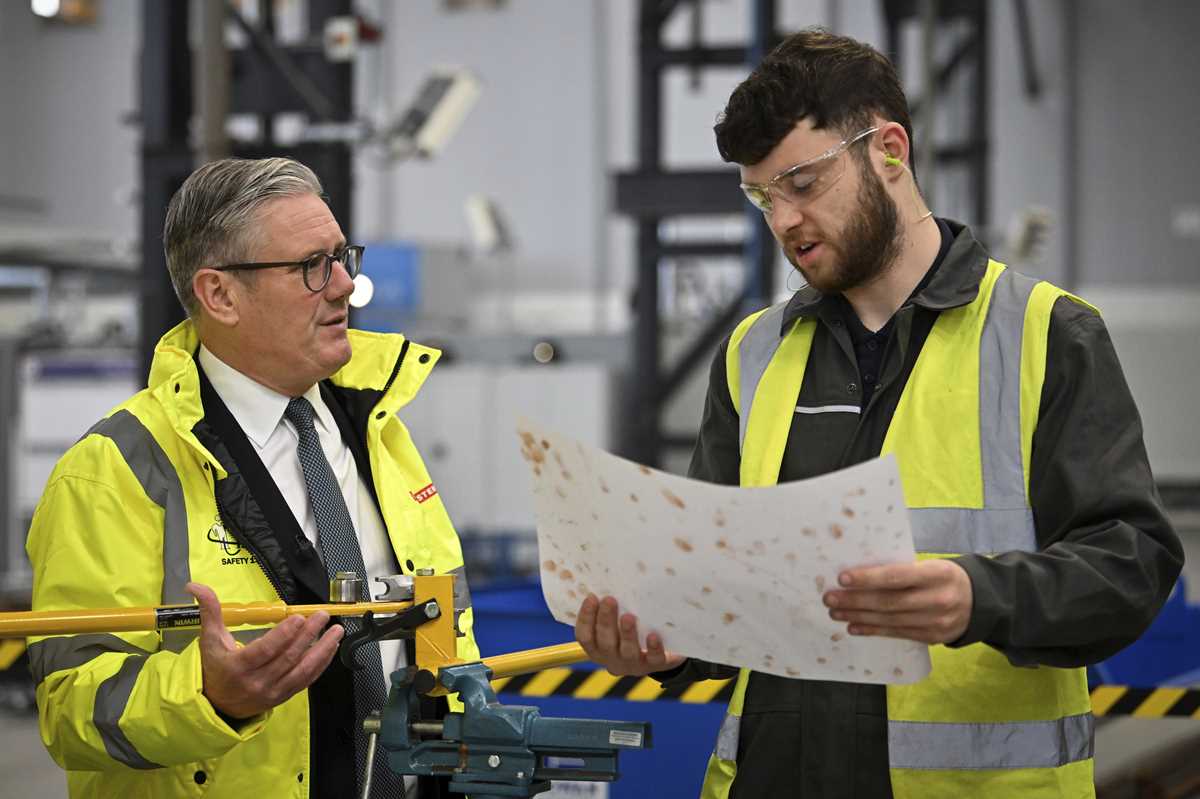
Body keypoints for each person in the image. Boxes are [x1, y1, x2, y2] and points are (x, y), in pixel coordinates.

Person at [575, 28, 1183, 799]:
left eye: (802, 182)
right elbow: (727, 601)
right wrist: (668, 644)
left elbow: (1132, 564)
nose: (783, 220)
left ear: (890, 150)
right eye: (762, 197)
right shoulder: (752, 355)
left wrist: (979, 596)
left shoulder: (1044, 335)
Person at [26, 157, 480, 798]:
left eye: (342, 256)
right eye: (312, 266)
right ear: (220, 295)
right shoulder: (114, 470)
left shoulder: (379, 431)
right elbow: (72, 709)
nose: (345, 284)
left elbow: (446, 639)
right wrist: (210, 698)